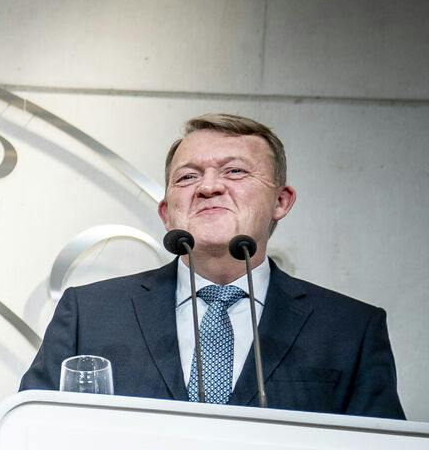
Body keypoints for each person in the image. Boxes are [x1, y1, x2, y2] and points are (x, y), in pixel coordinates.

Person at [21, 114, 403, 418]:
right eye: (187, 177)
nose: (208, 187)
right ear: (167, 212)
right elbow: (31, 435)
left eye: (234, 171)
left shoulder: (349, 330)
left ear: (281, 201)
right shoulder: (91, 314)